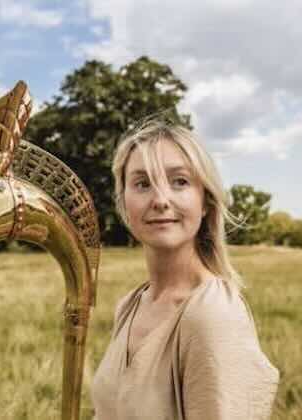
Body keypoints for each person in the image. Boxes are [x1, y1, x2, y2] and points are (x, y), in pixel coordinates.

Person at [91, 120, 280, 420]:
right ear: (124, 203)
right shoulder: (130, 305)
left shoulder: (214, 315)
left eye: (179, 181)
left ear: (204, 201)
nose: (161, 200)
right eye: (142, 183)